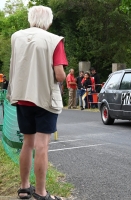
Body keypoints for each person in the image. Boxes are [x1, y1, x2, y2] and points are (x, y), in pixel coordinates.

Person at [7, 5, 67, 200]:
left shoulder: (16, 37)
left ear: (30, 19)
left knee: (27, 143)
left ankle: (24, 188)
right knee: (42, 146)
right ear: (48, 21)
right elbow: (59, 75)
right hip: (44, 99)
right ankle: (41, 193)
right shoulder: (54, 40)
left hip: (22, 97)